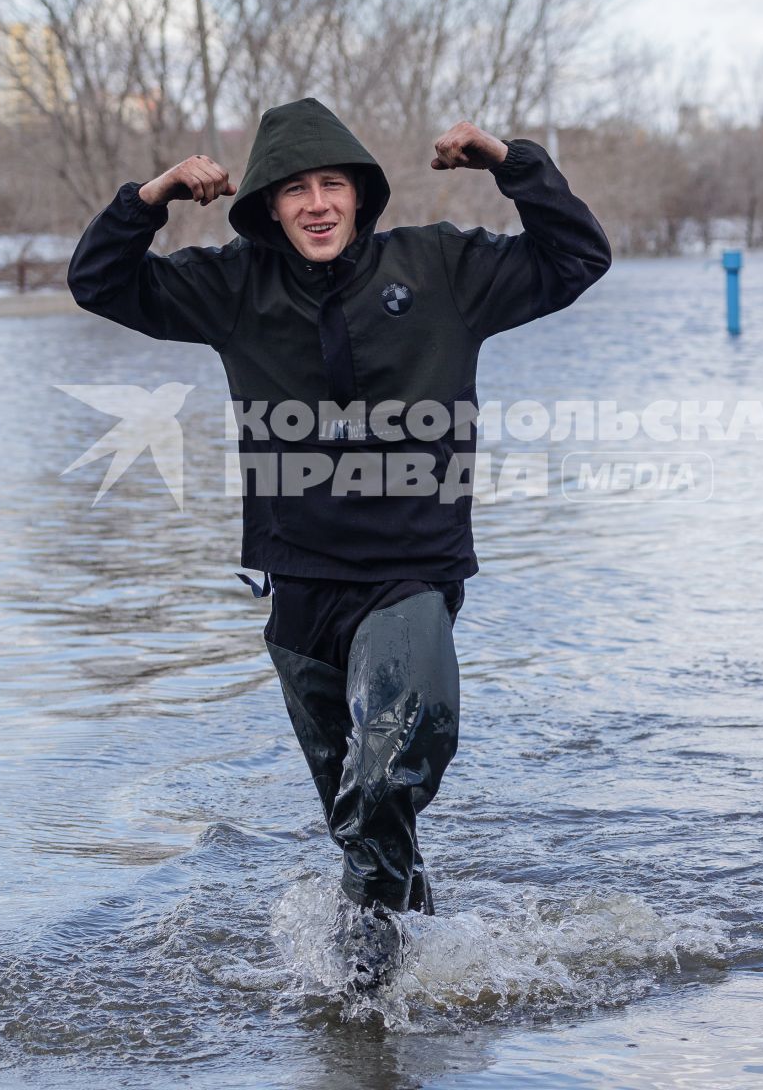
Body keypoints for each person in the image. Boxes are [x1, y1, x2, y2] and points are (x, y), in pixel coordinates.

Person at [67, 98, 610, 980]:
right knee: (366, 825)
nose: (316, 204)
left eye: (332, 186)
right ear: (270, 208)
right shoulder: (234, 286)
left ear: (359, 197)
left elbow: (578, 256)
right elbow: (100, 283)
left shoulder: (440, 268)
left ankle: (360, 1000)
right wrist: (152, 196)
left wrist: (511, 162)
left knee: (397, 756)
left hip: (410, 573)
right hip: (299, 592)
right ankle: (390, 998)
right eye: (295, 191)